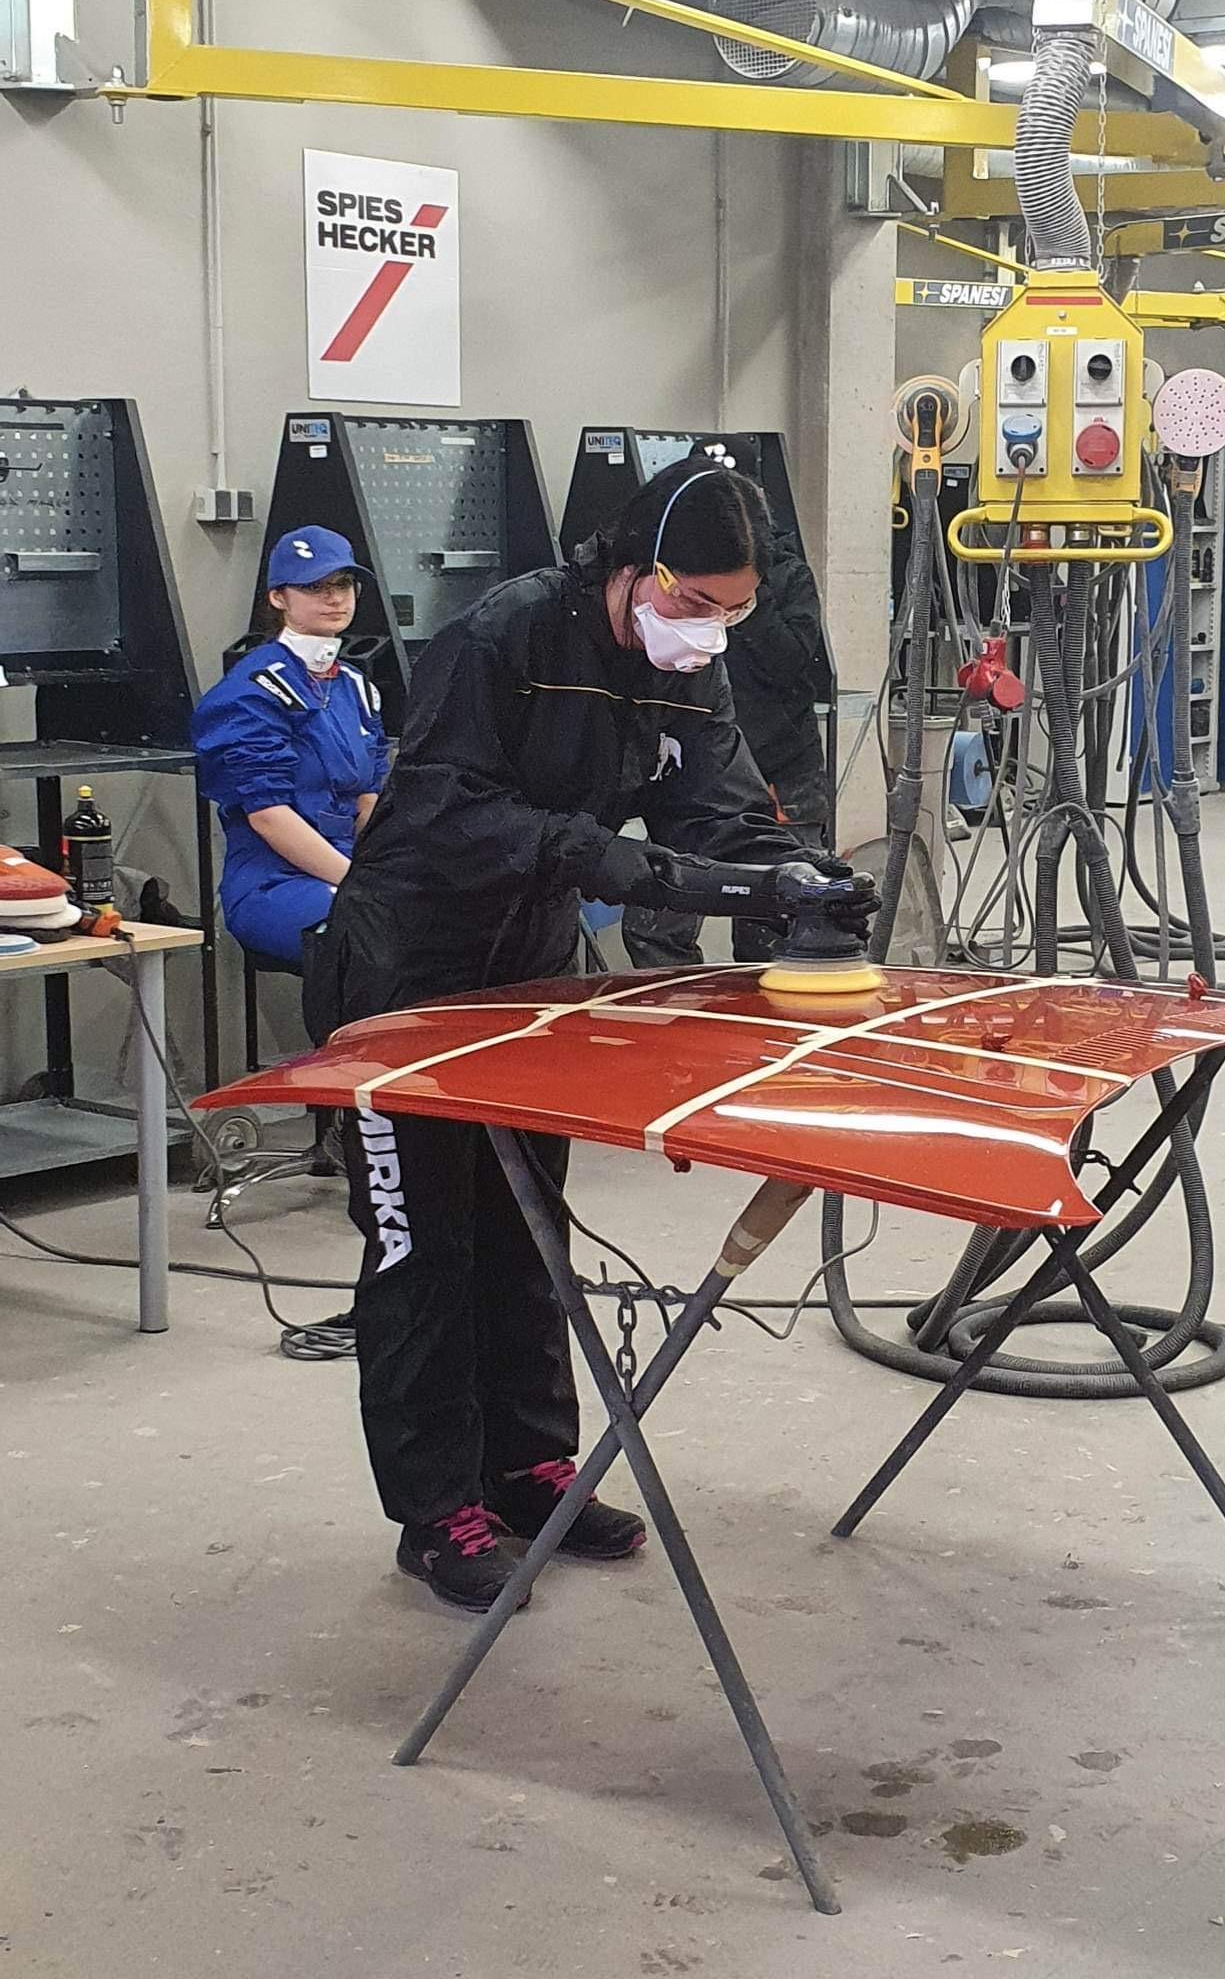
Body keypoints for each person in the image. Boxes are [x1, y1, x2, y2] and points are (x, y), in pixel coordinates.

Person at [307, 462, 876, 1612]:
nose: (708, 630)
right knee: (424, 1245)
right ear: (633, 567)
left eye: (732, 610)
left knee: (527, 1224)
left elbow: (716, 809)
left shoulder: (687, 668)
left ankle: (527, 1468)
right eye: (694, 601)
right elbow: (451, 808)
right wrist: (602, 856)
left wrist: (792, 873)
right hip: (406, 971)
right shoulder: (506, 634)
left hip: (526, 973)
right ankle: (437, 1509)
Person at [623, 441, 833, 970]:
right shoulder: (659, 594)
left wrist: (742, 604)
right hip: (692, 765)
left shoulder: (786, 577)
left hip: (780, 764)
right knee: (661, 920)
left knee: (782, 916)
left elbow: (793, 663)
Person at [193, 527, 390, 966]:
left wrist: (396, 873)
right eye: (314, 587)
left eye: (343, 584)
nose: (334, 598)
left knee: (457, 926)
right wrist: (363, 885)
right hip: (272, 883)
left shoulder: (357, 688)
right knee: (379, 936)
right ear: (278, 597)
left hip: (353, 869)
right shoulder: (249, 692)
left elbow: (369, 799)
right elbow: (268, 817)